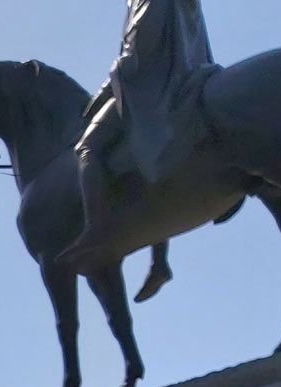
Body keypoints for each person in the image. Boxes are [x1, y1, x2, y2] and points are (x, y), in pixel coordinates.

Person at [62, 0, 216, 284]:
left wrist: (102, 94)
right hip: (188, 76)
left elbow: (136, 54)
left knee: (88, 147)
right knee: (143, 154)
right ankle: (159, 261)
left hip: (159, 88)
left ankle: (97, 230)